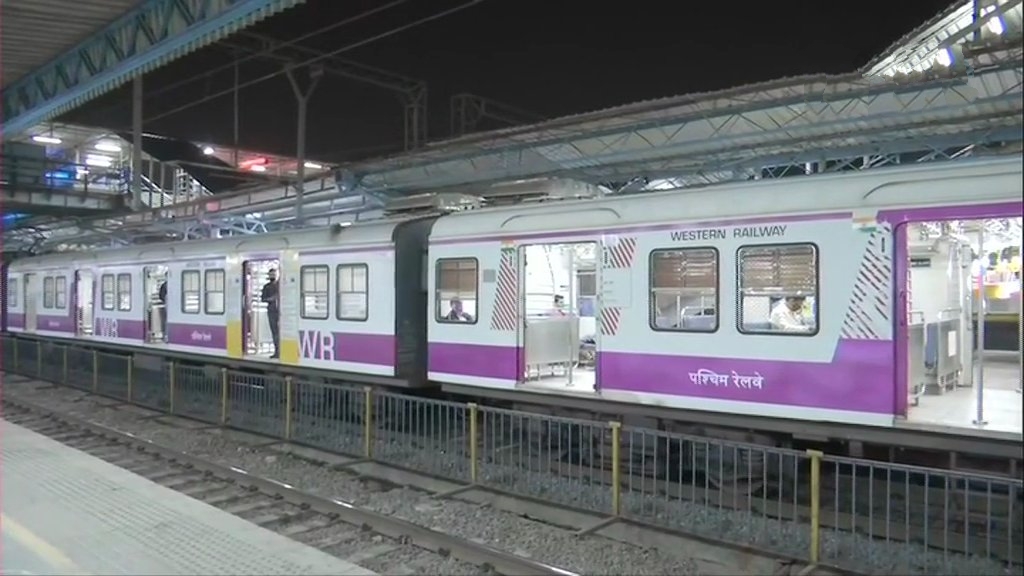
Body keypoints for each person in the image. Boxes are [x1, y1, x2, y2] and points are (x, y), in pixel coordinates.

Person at [261, 269, 280, 358]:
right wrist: (271, 298)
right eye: (271, 274)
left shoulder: (280, 285)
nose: (272, 276)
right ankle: (277, 351)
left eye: (274, 274)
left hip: (282, 311)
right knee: (275, 332)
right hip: (272, 311)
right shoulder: (266, 287)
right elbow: (263, 299)